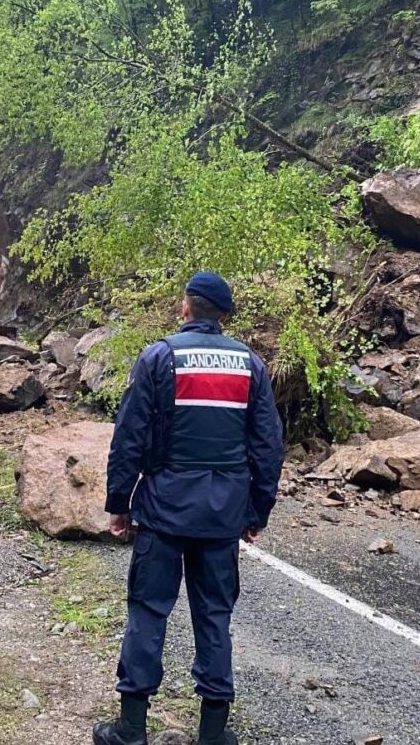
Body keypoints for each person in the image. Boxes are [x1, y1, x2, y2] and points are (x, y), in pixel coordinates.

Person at [94, 272, 284, 745]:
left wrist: (119, 503)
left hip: (163, 509)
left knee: (147, 611)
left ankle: (131, 729)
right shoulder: (250, 365)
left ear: (186, 307)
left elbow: (129, 437)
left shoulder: (160, 357)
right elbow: (267, 446)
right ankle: (213, 734)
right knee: (214, 615)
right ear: (223, 316)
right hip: (222, 516)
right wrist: (257, 510)